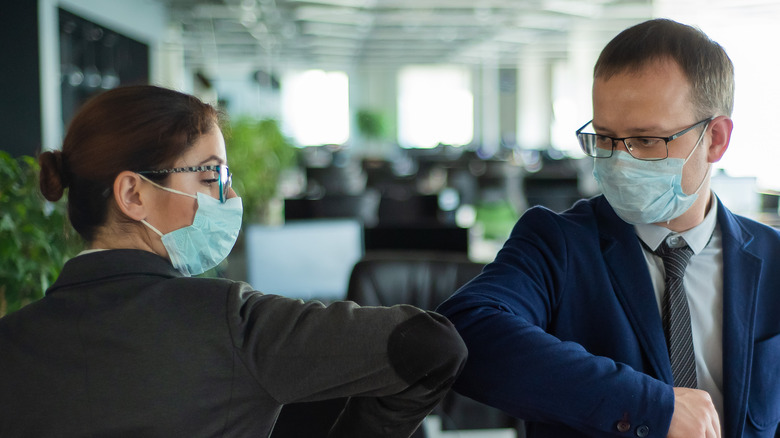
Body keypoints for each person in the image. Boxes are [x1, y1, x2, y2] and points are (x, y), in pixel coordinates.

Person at [0, 85, 467, 437]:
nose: (231, 196)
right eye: (211, 177)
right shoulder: (231, 322)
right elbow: (431, 346)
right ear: (133, 194)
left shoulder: (12, 342)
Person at [438, 18, 780, 438]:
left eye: (647, 140)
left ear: (715, 139)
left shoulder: (773, 258)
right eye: (604, 138)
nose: (620, 162)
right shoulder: (556, 243)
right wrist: (652, 406)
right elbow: (463, 332)